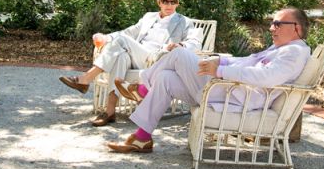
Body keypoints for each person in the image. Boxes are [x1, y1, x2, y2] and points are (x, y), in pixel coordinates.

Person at [107, 8, 311, 154]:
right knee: (165, 77)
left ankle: (142, 89)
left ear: (296, 28)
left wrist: (220, 71)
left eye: (277, 23)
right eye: (272, 23)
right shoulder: (280, 49)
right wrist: (220, 59)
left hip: (236, 95)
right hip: (227, 90)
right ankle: (142, 138)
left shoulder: (294, 51)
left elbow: (267, 78)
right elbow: (247, 61)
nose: (271, 28)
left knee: (179, 54)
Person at [58, 0, 202, 127]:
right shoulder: (148, 17)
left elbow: (195, 42)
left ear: (178, 3)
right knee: (121, 57)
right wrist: (105, 37)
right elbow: (127, 33)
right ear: (159, 2)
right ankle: (110, 111)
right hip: (139, 57)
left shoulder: (184, 22)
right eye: (165, 1)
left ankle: (86, 79)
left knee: (121, 43)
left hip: (159, 60)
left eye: (173, 1)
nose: (169, 4)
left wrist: (181, 46)